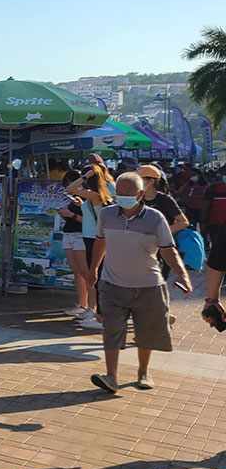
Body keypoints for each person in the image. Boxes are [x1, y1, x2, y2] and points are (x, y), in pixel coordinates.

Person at [88, 172, 191, 393]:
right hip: (112, 284)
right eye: (119, 193)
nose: (122, 197)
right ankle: (111, 377)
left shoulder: (155, 218)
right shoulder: (106, 214)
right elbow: (100, 243)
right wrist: (93, 269)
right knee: (111, 330)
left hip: (148, 286)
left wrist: (182, 273)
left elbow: (167, 250)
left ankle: (143, 372)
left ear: (141, 194)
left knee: (146, 332)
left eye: (128, 194)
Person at [66, 163, 114, 330]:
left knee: (96, 275)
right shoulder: (96, 195)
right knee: (97, 275)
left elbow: (71, 187)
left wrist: (87, 175)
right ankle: (98, 313)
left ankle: (100, 315)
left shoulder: (95, 195)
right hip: (92, 236)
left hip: (93, 237)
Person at [56, 171, 94, 319]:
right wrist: (64, 214)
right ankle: (82, 305)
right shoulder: (74, 200)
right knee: (77, 272)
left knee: (86, 272)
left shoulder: (90, 198)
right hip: (69, 234)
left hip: (81, 235)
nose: (68, 189)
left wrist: (71, 215)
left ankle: (92, 307)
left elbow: (90, 221)